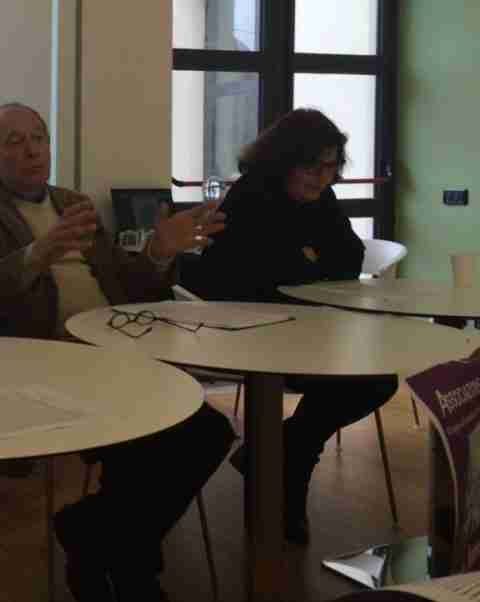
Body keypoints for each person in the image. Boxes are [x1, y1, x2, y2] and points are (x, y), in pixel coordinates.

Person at [0, 102, 235, 601]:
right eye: (14, 142)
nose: (32, 150)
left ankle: (91, 531)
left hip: (116, 355)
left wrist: (159, 251)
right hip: (44, 365)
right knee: (146, 443)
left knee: (207, 431)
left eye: (39, 137)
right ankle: (130, 564)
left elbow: (128, 288)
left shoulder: (73, 203)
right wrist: (38, 252)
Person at [183, 108, 399, 544]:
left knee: (377, 379)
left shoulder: (321, 198)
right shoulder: (251, 196)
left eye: (330, 167)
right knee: (356, 380)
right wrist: (309, 261)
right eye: (312, 166)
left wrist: (306, 261)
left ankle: (282, 456)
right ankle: (286, 466)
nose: (322, 177)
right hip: (245, 332)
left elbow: (348, 259)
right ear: (283, 160)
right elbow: (270, 275)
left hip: (307, 327)